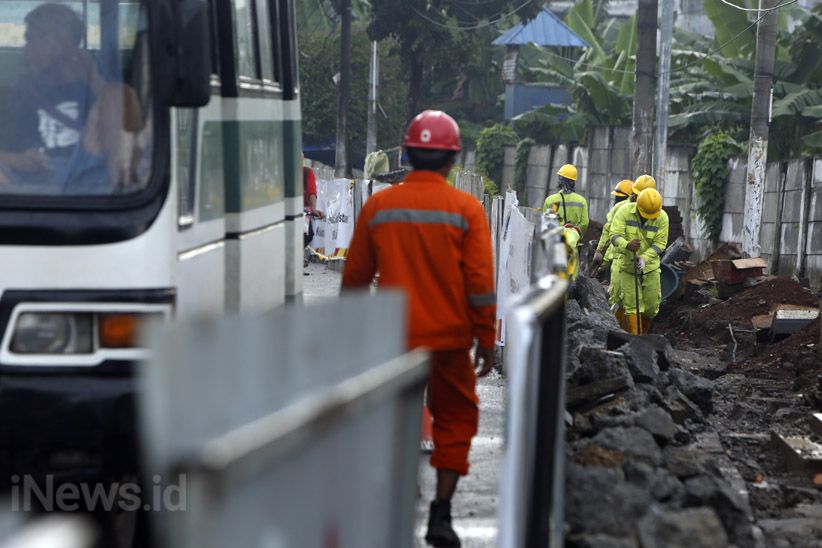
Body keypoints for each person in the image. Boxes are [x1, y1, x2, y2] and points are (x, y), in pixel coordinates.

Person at [341, 110, 496, 548]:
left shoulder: (379, 206)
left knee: (393, 419)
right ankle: (441, 515)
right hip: (449, 340)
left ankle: (401, 491)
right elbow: (480, 285)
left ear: (407, 154)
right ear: (452, 159)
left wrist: (350, 336)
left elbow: (353, 279)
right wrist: (485, 338)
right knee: (457, 419)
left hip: (393, 341)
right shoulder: (467, 210)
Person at [0, 3, 142, 191]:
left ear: (58, 42)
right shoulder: (15, 92)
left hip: (85, 178)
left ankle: (121, 198)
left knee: (119, 95)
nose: (26, 49)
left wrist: (95, 81)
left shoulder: (96, 90)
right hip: (24, 185)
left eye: (32, 40)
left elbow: (119, 126)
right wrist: (18, 160)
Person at [609, 187, 669, 334]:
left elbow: (660, 244)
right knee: (632, 304)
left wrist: (644, 258)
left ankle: (644, 332)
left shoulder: (662, 217)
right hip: (628, 267)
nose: (648, 218)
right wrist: (626, 245)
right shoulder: (624, 212)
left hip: (651, 267)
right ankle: (636, 338)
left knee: (651, 306)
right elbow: (614, 235)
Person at [543, 164, 588, 279]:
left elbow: (546, 223)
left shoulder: (551, 200)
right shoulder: (581, 201)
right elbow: (584, 223)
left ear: (560, 180)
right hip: (572, 244)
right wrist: (576, 233)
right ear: (574, 181)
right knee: (571, 274)